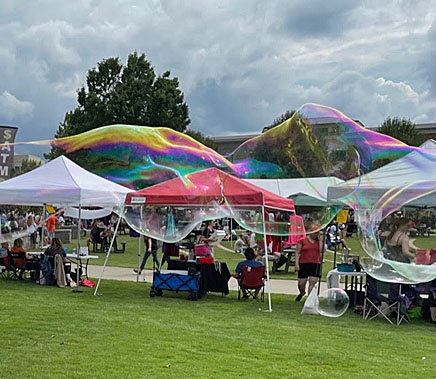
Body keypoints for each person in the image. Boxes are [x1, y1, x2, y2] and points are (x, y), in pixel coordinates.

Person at [295, 225, 323, 301]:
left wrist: (320, 240)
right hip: (304, 263)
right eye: (315, 233)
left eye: (317, 233)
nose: (316, 235)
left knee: (312, 282)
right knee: (301, 283)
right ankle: (302, 293)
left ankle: (309, 299)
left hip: (315, 263)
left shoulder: (319, 242)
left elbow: (321, 251)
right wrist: (296, 264)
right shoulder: (302, 240)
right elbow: (297, 252)